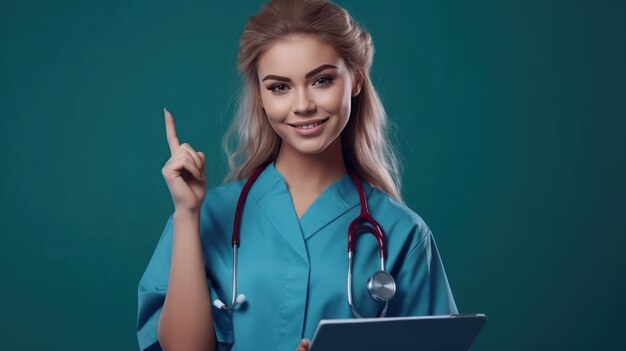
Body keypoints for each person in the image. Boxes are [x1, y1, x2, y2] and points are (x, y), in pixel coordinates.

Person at [136, 0, 458, 350]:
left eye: (321, 80)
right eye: (279, 87)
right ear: (260, 95)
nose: (303, 105)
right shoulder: (205, 217)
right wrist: (186, 215)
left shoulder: (403, 235)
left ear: (356, 81)